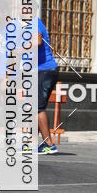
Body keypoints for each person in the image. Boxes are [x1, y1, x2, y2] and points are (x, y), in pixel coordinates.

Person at [37, 17, 59, 155]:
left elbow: (38, 41)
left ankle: (49, 144)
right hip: (43, 71)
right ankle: (33, 143)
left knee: (38, 108)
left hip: (45, 70)